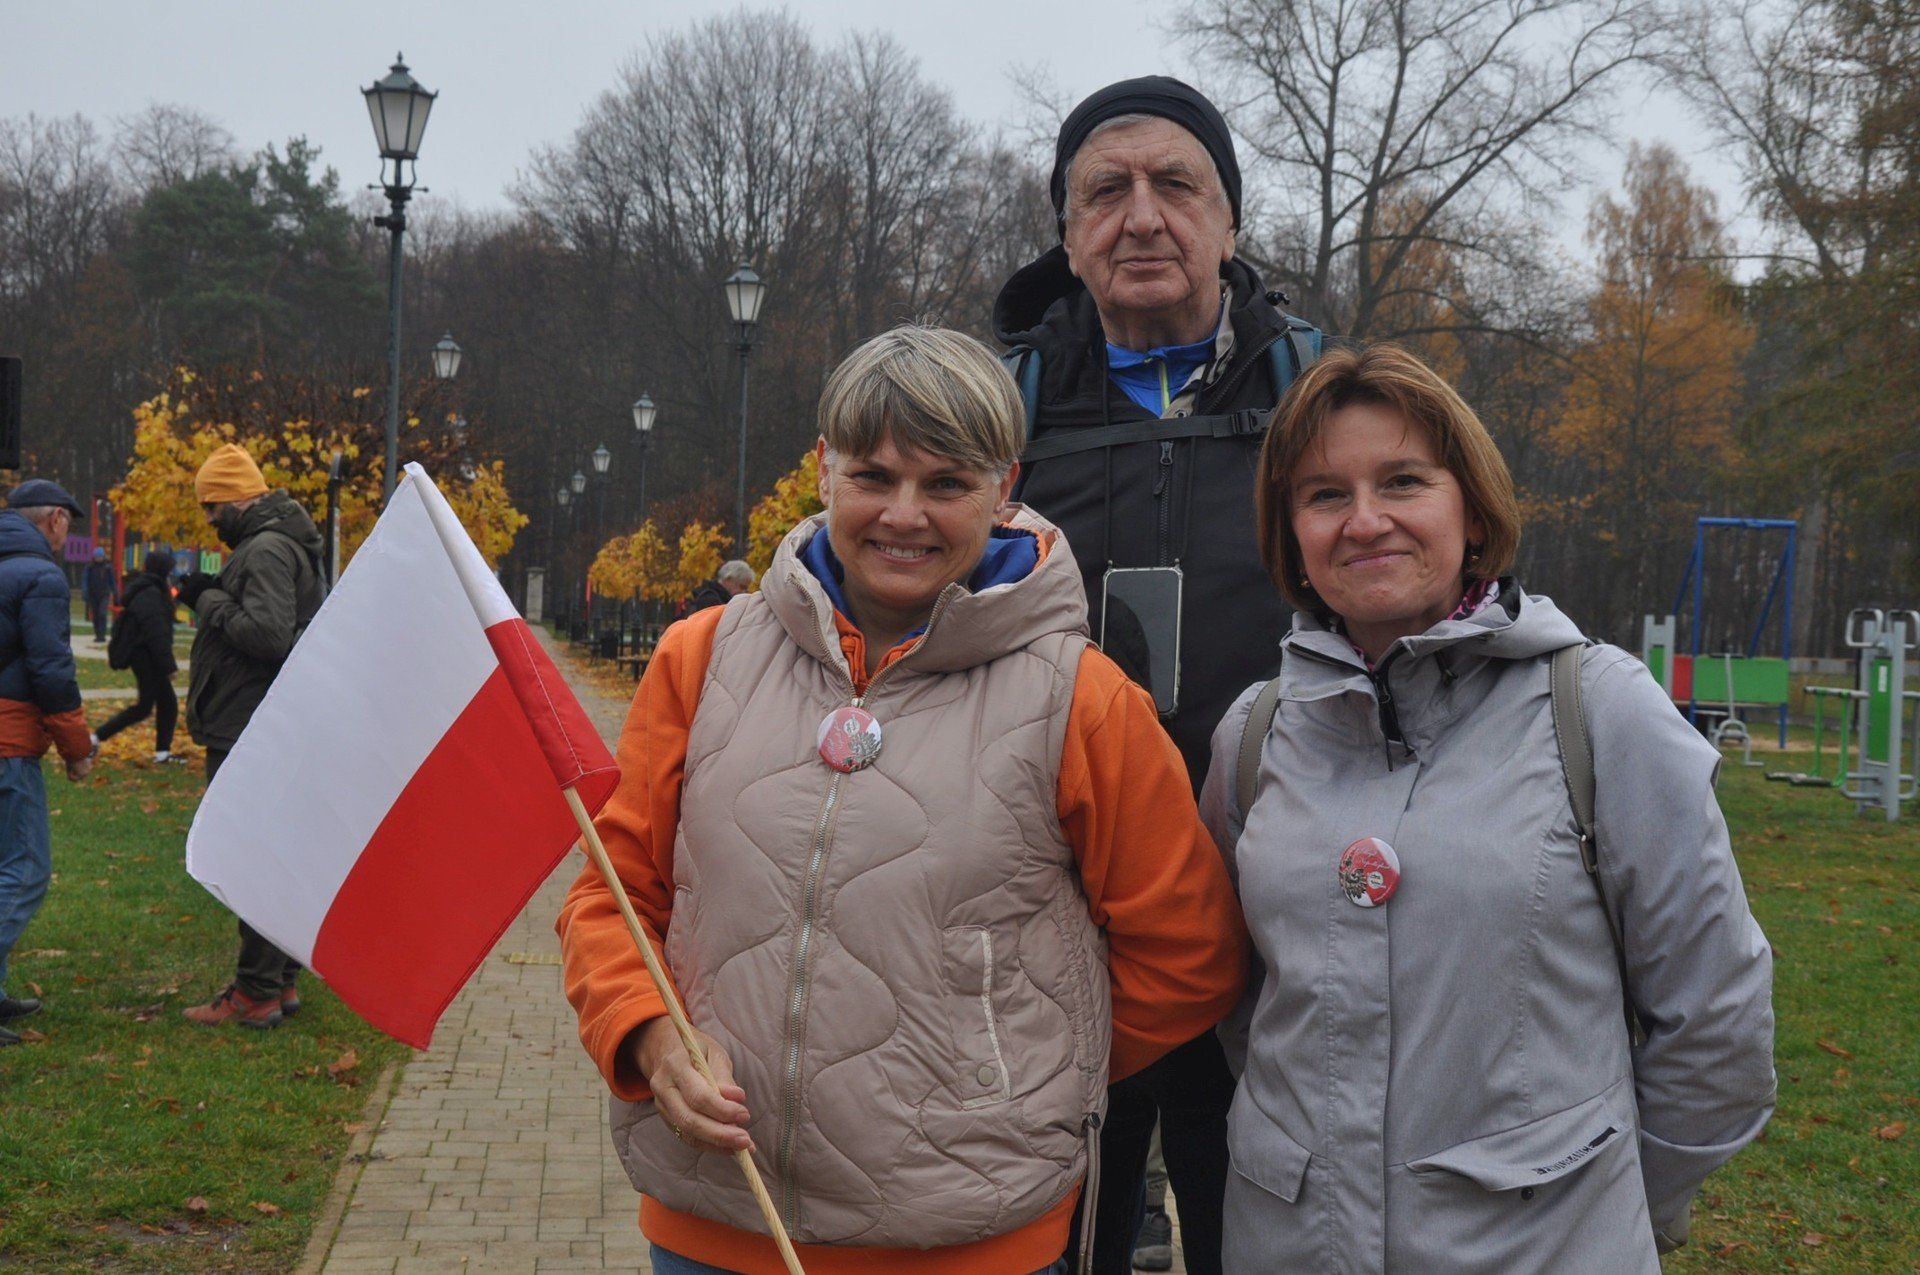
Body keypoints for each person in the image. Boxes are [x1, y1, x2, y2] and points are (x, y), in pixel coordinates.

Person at [558, 326, 1248, 1275]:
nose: (905, 514)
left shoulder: (1080, 699)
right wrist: (645, 1035)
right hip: (718, 1225)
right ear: (823, 470)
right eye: (874, 475)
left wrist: (1011, 1075)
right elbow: (612, 894)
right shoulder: (700, 659)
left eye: (948, 483)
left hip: (971, 1245)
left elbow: (1190, 952)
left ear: (1006, 485)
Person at [1201, 343, 1776, 1272]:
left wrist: (1615, 1204)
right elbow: (1243, 1000)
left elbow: (1715, 1015)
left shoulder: (1601, 711)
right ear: (1291, 535)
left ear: (1471, 508)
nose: (1366, 520)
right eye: (1324, 495)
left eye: (1403, 480)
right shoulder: (1254, 735)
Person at [991, 75, 1320, 1274]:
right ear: (1069, 236)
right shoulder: (1000, 410)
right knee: (1067, 1238)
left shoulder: (1316, 397)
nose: (1142, 216)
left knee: (1261, 1235)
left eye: (1176, 185)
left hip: (1279, 909)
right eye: (1105, 191)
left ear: (1229, 223)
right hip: (1063, 915)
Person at [178, 444, 326, 1029]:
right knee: (279, 853)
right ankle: (280, 983)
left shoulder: (264, 549)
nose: (210, 520)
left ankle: (255, 992)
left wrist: (207, 599)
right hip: (262, 721)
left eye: (214, 506)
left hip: (249, 724)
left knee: (254, 859)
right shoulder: (278, 545)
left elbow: (266, 635)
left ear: (241, 497)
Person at [0, 479, 95, 1047]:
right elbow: (53, 673)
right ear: (56, 520)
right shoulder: (40, 578)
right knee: (25, 871)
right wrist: (77, 749)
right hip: (8, 745)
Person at [93, 549, 184, 764]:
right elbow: (156, 633)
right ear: (163, 571)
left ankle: (162, 753)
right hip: (145, 656)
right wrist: (169, 666)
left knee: (167, 703)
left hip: (145, 655)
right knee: (145, 707)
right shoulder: (150, 594)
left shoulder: (150, 590)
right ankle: (95, 738)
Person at [682, 559, 755, 616]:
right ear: (728, 579)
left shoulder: (712, 595)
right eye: (742, 586)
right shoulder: (710, 599)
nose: (744, 592)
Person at [84, 547, 115, 643]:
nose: (98, 558)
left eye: (100, 557)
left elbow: (112, 581)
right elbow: (85, 580)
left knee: (102, 613)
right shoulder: (90, 567)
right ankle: (98, 634)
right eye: (97, 557)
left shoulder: (107, 567)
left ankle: (102, 634)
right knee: (96, 615)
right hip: (93, 594)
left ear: (103, 557)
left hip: (104, 593)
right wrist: (85, 592)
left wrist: (115, 593)